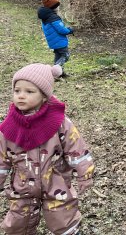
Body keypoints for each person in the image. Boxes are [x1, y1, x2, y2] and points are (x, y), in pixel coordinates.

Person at [0, 63, 94, 235]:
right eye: (17, 91)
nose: (21, 96)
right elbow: (2, 158)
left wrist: (84, 174)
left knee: (63, 217)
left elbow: (76, 148)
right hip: (22, 185)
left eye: (29, 92)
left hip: (55, 181)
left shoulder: (58, 122)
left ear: (44, 96)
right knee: (18, 221)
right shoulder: (9, 127)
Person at [37, 0, 74, 75]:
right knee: (66, 55)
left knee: (58, 56)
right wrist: (70, 30)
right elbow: (61, 30)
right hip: (59, 41)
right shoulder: (53, 17)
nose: (58, 7)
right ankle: (55, 70)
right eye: (57, 6)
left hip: (53, 41)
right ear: (53, 7)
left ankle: (59, 74)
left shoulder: (46, 16)